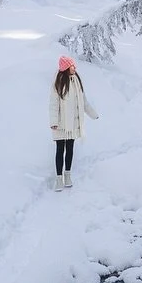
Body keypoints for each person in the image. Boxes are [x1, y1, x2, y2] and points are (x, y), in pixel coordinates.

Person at [50, 55, 97, 190]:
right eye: (72, 66)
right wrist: (53, 121)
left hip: (72, 123)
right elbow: (53, 104)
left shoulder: (77, 81)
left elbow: (84, 101)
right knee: (60, 149)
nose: (74, 68)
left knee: (70, 148)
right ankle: (59, 178)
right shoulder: (57, 83)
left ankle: (68, 174)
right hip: (60, 123)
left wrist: (93, 114)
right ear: (65, 68)